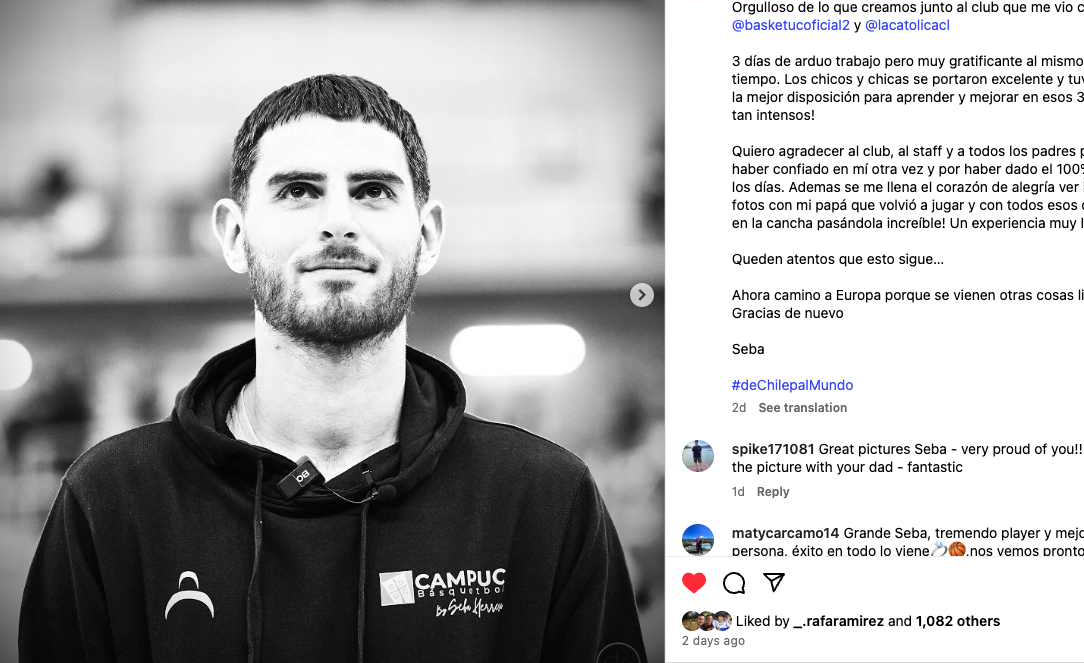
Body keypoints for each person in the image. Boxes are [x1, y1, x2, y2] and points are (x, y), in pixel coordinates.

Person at [20, 75, 646, 663]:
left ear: (426, 237)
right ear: (234, 236)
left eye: (373, 191)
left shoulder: (544, 501)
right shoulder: (112, 500)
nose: (338, 221)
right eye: (298, 190)